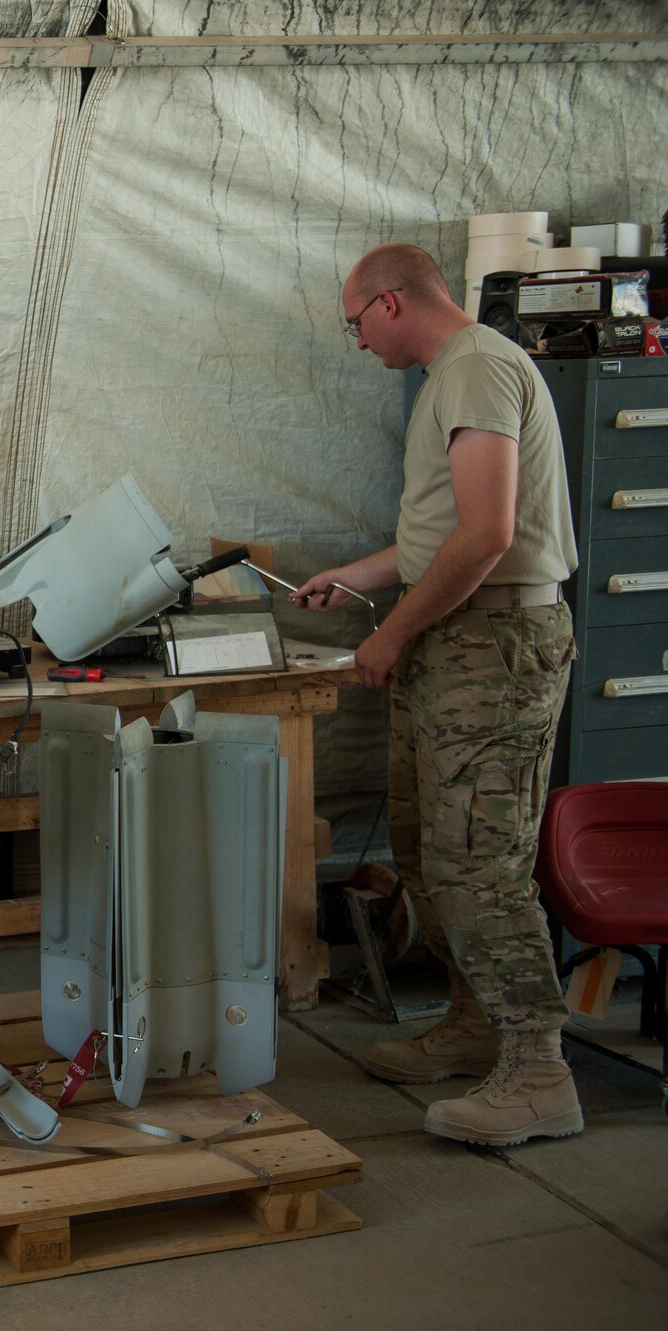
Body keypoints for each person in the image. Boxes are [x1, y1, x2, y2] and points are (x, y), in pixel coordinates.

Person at [297, 242, 581, 1146]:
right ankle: (474, 1027)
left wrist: (391, 631)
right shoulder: (450, 377)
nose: (355, 342)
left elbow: (489, 534)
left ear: (390, 302)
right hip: (454, 642)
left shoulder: (477, 370)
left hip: (492, 648)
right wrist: (358, 576)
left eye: (354, 323)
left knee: (478, 862)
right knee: (426, 846)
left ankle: (538, 1070)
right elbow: (442, 537)